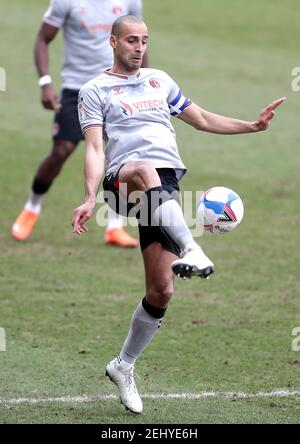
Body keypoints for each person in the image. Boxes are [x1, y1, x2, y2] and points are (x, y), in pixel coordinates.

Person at [72, 15, 285, 414]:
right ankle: (194, 248)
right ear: (113, 42)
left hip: (162, 192)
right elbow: (96, 148)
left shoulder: (160, 81)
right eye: (131, 40)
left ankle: (123, 365)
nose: (139, 47)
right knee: (142, 167)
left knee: (161, 291)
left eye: (144, 40)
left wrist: (253, 126)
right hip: (124, 182)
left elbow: (201, 119)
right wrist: (88, 197)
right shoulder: (94, 89)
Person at [11, 0, 148, 248]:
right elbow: (43, 38)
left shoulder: (130, 2)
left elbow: (138, 41)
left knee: (122, 155)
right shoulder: (67, 2)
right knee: (61, 150)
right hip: (78, 89)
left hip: (118, 87)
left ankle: (115, 226)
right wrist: (45, 83)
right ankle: (32, 207)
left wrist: (144, 84)